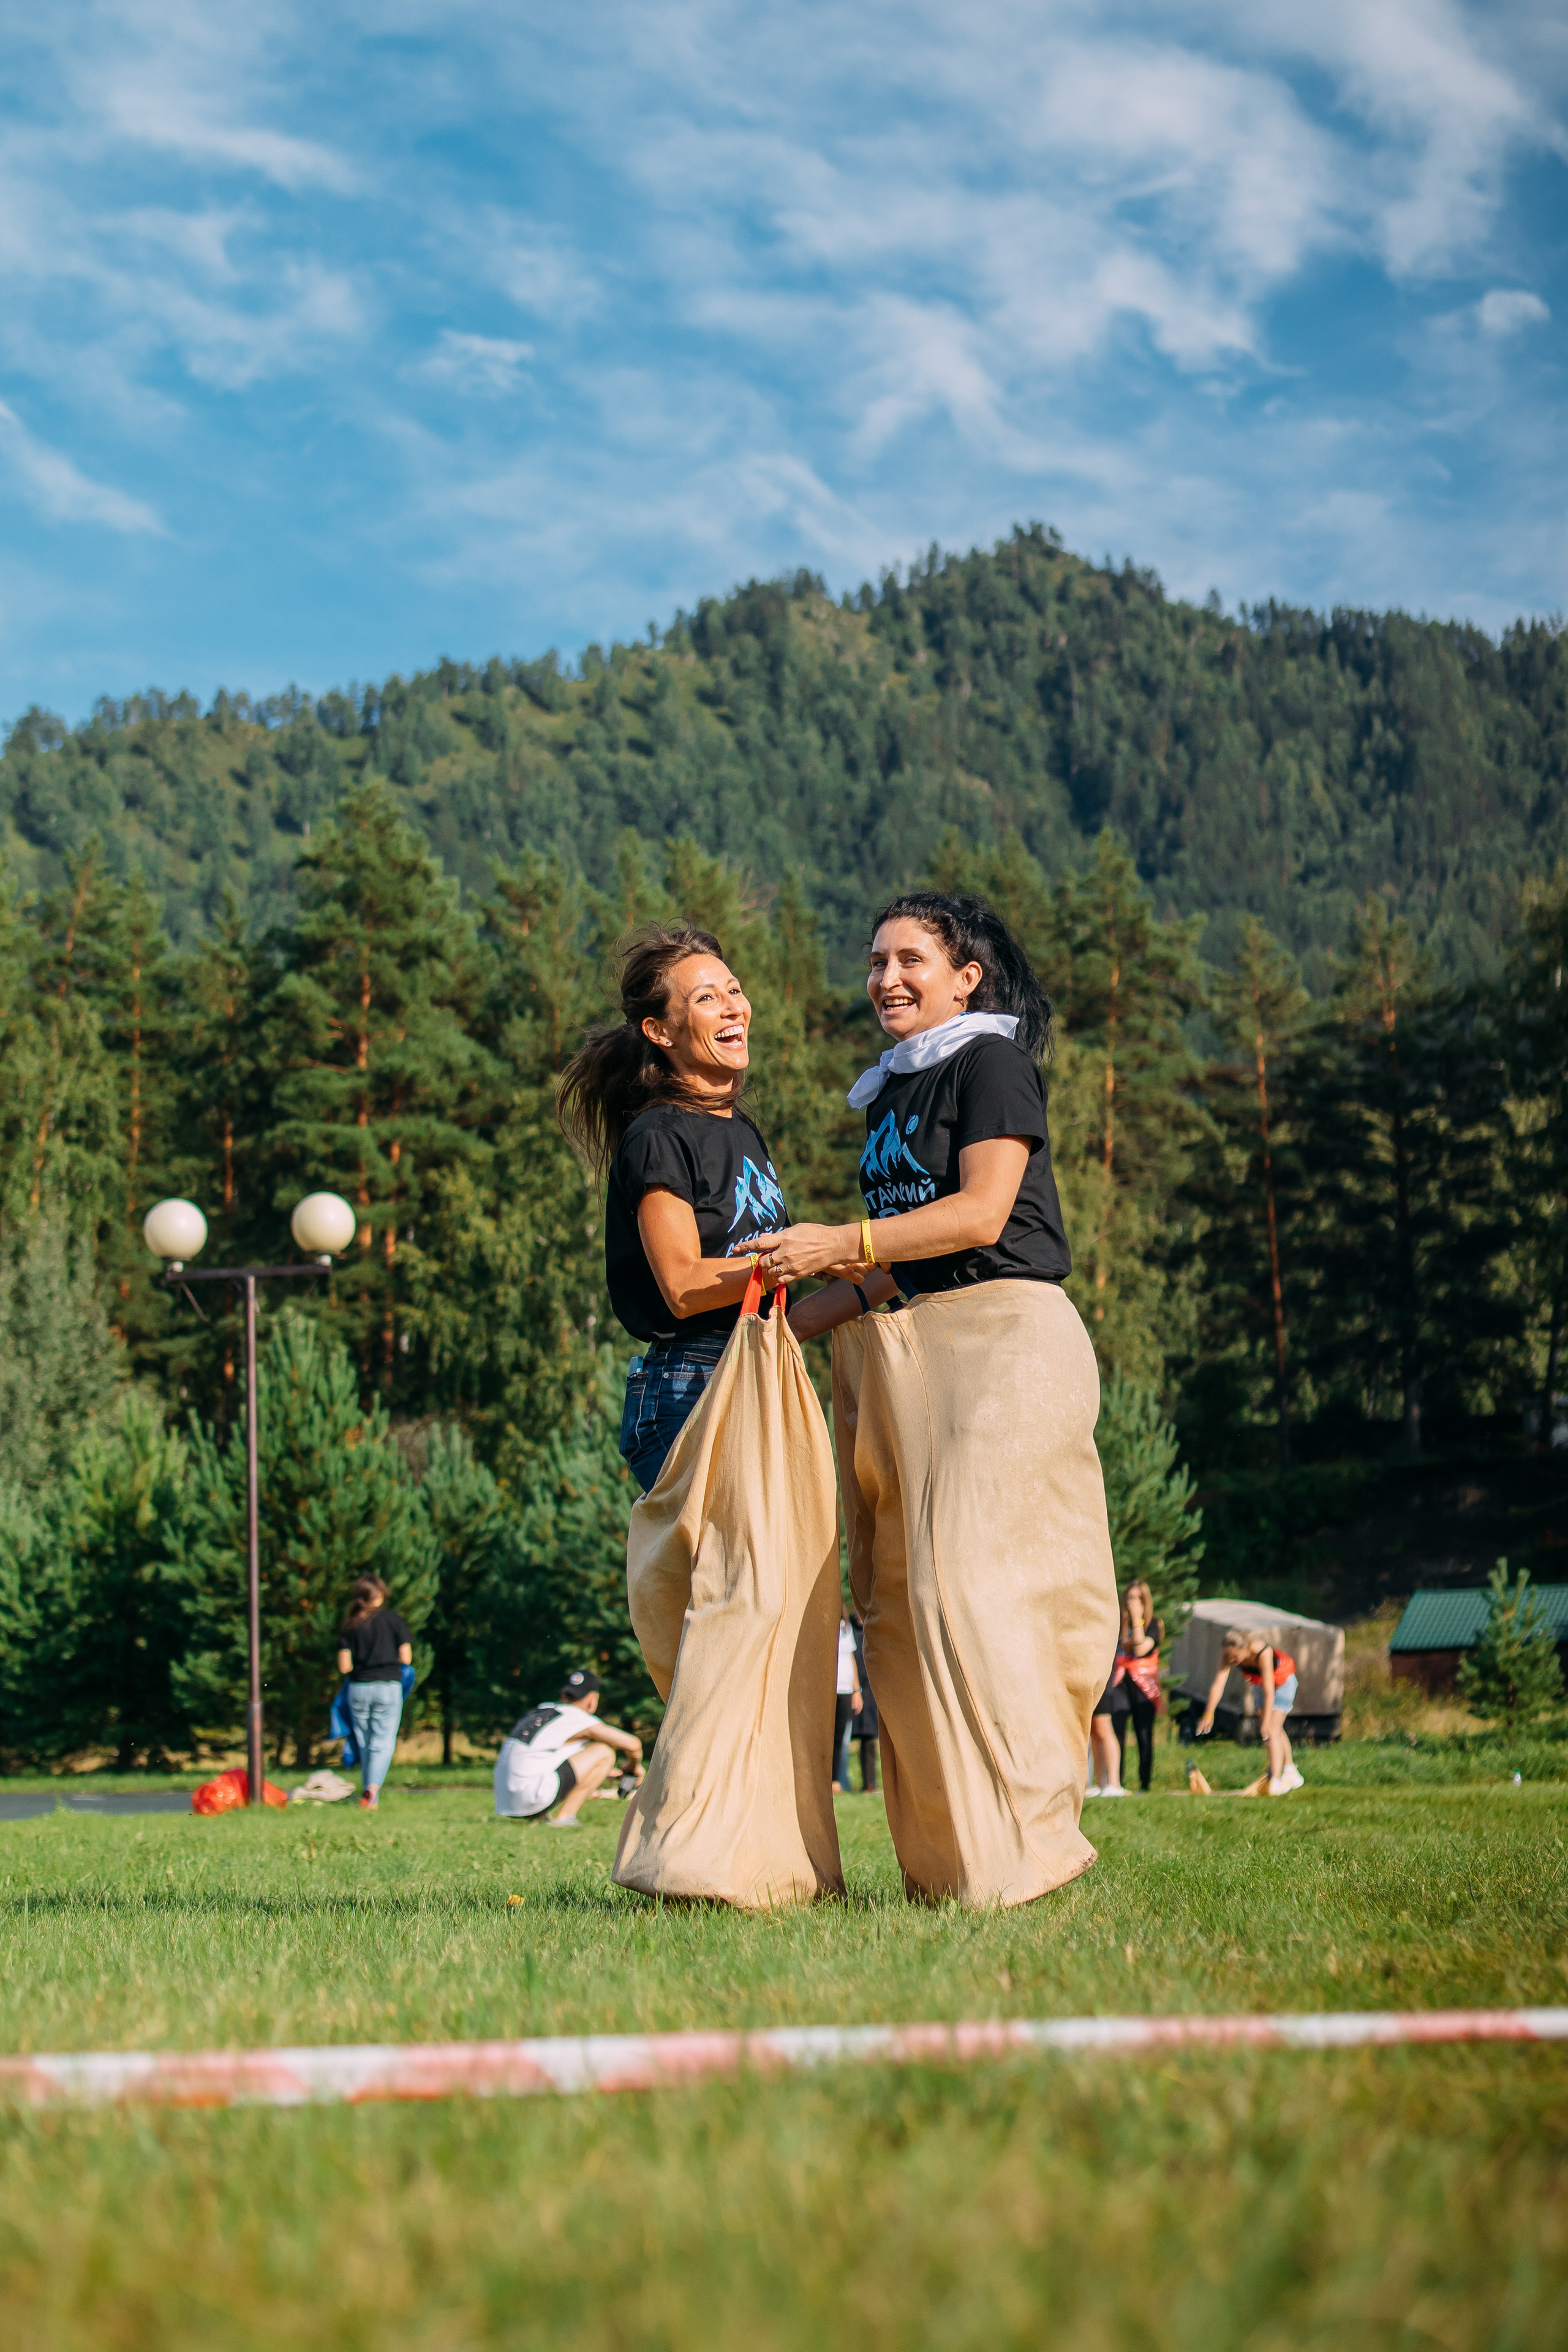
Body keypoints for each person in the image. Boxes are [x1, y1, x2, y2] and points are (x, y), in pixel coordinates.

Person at [759, 891, 1120, 1907]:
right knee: (903, 1609)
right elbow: (890, 1268)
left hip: (1006, 1342)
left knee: (972, 1592)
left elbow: (980, 1215)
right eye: (875, 960)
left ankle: (1031, 1844)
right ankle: (952, 1867)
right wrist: (783, 1328)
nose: (885, 978)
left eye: (911, 958)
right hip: (911, 1356)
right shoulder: (886, 1095)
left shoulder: (991, 1064)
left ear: (968, 978)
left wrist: (841, 1240)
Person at [557, 923, 790, 1494]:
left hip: (758, 1371)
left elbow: (767, 1306)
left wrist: (877, 1271)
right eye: (706, 998)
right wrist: (801, 1257)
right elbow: (684, 1286)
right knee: (729, 1585)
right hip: (691, 1388)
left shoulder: (744, 1135)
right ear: (659, 1031)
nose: (732, 1008)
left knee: (761, 1585)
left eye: (733, 989)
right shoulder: (658, 1137)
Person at [493, 1669, 644, 1826]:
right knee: (604, 1752)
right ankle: (564, 1818)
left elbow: (549, 1758)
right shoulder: (578, 1718)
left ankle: (538, 1815)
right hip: (531, 1797)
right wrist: (633, 1767)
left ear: (564, 1695)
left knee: (598, 1755)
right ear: (593, 1700)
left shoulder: (543, 1711)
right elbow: (633, 1745)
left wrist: (610, 1772)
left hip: (506, 1799)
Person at [1196, 1628, 1305, 1796]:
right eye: (1228, 1656)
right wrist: (1208, 1714)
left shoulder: (1263, 1652)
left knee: (1271, 1730)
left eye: (1235, 1657)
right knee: (1274, 1729)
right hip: (1258, 1685)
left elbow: (1269, 1690)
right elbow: (1218, 1685)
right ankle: (1290, 1771)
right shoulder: (1227, 1655)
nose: (1231, 1660)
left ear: (1246, 1649)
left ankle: (1274, 1780)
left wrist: (1266, 1722)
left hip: (1282, 1684)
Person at [335, 1576, 413, 1811]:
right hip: (388, 1687)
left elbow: (344, 1667)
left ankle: (369, 1796)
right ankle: (373, 1789)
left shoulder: (350, 1624)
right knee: (383, 1743)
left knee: (365, 1742)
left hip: (359, 1688)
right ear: (379, 1595)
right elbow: (407, 1658)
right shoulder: (392, 1620)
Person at [1090, 1580, 1162, 1795]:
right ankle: (1116, 1782)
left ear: (1144, 1601)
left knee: (1143, 1733)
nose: (1132, 1603)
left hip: (1144, 1686)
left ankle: (1144, 1784)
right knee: (1117, 1728)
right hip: (1121, 1683)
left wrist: (1137, 1619)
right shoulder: (1120, 1624)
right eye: (1129, 1598)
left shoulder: (1153, 1624)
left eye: (1137, 1599)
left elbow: (1140, 1649)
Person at [833, 1605, 864, 1792]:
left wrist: (856, 1690)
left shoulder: (846, 1628)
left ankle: (835, 1780)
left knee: (840, 1737)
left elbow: (851, 1658)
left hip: (845, 1689)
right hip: (831, 1688)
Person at [851, 1610, 881, 1793]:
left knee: (869, 1740)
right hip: (854, 1694)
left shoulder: (874, 1632)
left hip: (872, 1696)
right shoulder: (850, 1634)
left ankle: (871, 1783)